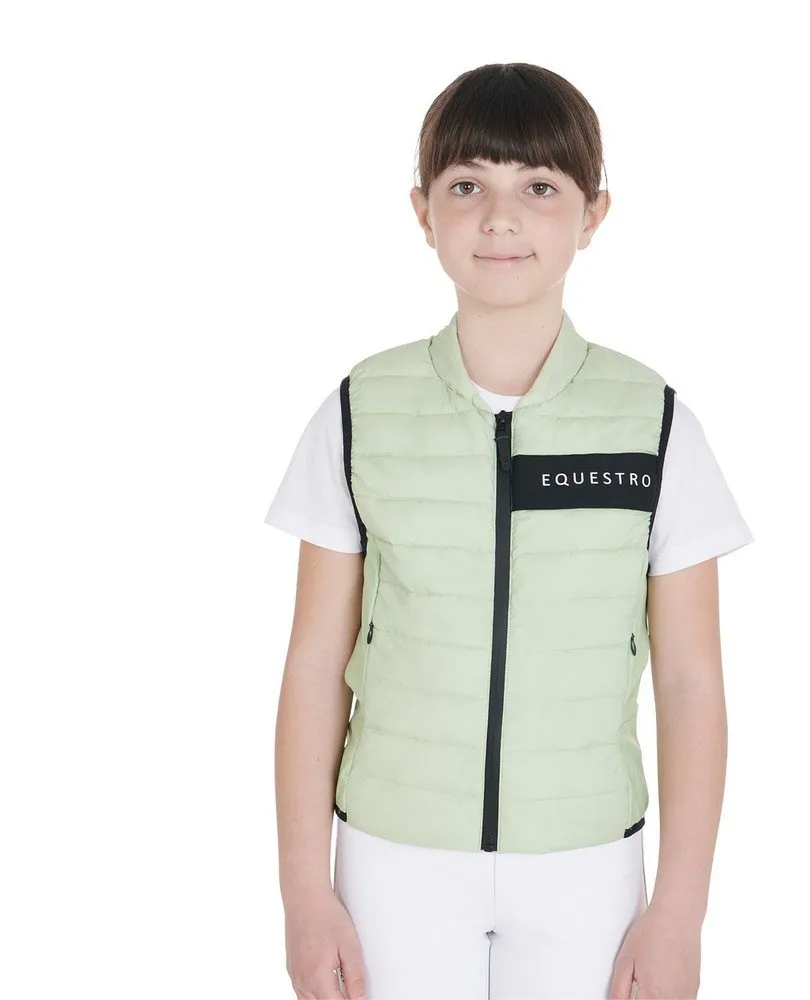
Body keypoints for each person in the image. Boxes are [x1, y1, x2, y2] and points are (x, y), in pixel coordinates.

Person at [265, 62, 753, 1000]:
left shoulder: (654, 422)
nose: (500, 218)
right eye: (466, 186)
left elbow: (692, 684)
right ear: (422, 210)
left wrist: (680, 912)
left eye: (538, 187)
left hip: (585, 865)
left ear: (592, 214)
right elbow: (314, 664)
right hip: (392, 858)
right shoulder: (360, 411)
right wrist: (303, 894)